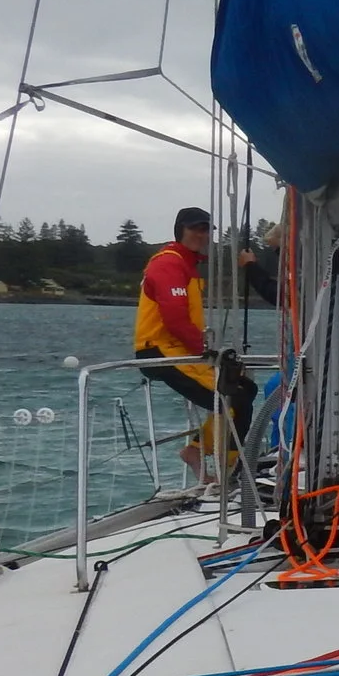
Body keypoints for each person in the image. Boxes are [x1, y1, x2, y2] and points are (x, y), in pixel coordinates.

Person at [134, 207, 261, 491]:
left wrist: (206, 353)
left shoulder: (184, 264)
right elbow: (175, 318)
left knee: (246, 389)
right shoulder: (169, 263)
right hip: (160, 351)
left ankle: (196, 450)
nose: (201, 235)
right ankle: (230, 474)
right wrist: (206, 351)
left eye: (206, 229)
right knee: (235, 398)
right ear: (180, 229)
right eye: (195, 228)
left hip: (179, 351)